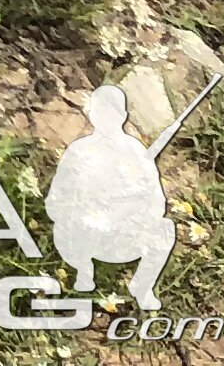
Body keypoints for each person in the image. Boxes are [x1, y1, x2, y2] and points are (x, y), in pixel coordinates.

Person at [49, 85, 176, 308]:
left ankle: (142, 287)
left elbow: (156, 199)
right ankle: (83, 270)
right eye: (101, 111)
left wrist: (134, 214)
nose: (106, 117)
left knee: (164, 229)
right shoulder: (79, 151)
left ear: (123, 116)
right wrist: (85, 207)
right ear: (92, 114)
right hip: (85, 231)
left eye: (113, 111)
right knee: (68, 225)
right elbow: (57, 198)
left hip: (124, 232)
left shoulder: (136, 151)